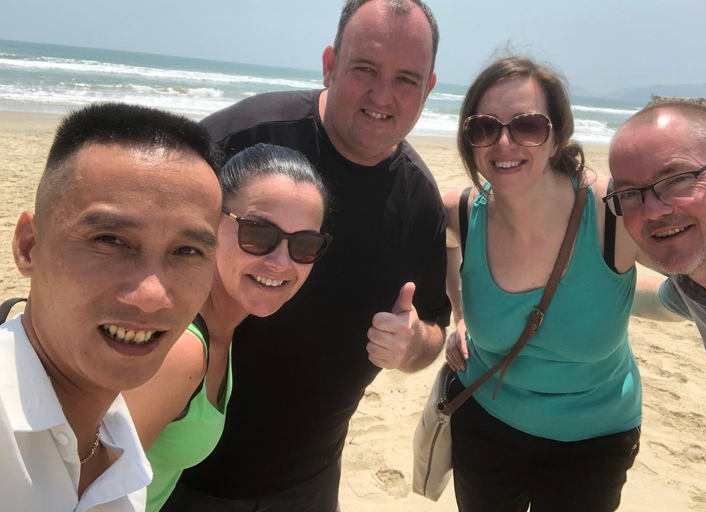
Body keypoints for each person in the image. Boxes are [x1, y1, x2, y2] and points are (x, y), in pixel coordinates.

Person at [169, 0, 450, 510]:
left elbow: (433, 328)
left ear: (428, 88)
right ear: (329, 64)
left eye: (406, 79)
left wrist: (412, 347)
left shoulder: (420, 201)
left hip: (308, 479)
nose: (382, 95)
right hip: (179, 466)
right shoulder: (240, 140)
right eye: (364, 68)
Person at [441, 56, 679, 512]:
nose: (504, 141)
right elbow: (443, 244)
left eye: (528, 125)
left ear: (557, 138)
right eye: (484, 127)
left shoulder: (614, 213)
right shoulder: (461, 212)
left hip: (594, 438)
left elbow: (701, 270)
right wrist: (459, 310)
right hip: (485, 420)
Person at [0, 102, 223, 511]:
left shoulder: (123, 450)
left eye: (187, 250)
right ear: (29, 246)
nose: (152, 295)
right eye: (110, 240)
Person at [122, 143, 332, 512]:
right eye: (258, 233)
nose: (282, 262)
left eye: (305, 244)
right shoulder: (183, 350)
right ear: (211, 223)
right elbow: (83, 488)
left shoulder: (222, 326)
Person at [607, 101, 706, 459]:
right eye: (630, 194)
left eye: (678, 178)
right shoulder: (694, 282)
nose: (653, 210)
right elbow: (658, 301)